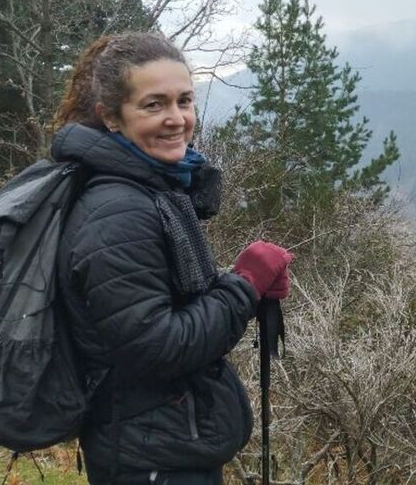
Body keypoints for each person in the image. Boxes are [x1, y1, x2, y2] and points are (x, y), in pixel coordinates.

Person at [51, 31, 292, 485]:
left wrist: (243, 283)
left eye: (184, 101)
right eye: (153, 104)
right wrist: (244, 283)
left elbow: (157, 304)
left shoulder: (150, 188)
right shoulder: (117, 213)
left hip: (163, 442)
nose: (176, 118)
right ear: (111, 117)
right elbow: (161, 346)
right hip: (152, 459)